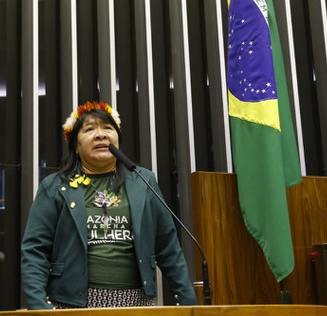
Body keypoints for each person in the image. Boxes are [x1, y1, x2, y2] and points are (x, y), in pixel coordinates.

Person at [21, 101, 199, 309]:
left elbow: (168, 247)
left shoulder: (143, 181)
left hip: (137, 304)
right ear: (76, 146)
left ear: (117, 140)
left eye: (107, 128)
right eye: (89, 129)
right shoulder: (55, 186)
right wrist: (39, 308)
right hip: (72, 304)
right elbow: (35, 250)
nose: (100, 135)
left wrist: (189, 304)